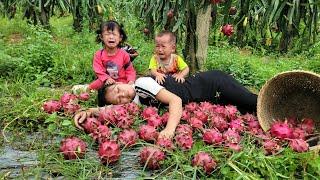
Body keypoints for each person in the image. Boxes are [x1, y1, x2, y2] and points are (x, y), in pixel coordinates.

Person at [74, 70, 257, 139]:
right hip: (213, 99)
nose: (122, 95)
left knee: (254, 103)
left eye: (117, 90)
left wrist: (169, 130)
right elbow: (114, 109)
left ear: (117, 82)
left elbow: (175, 100)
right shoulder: (136, 101)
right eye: (119, 98)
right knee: (250, 111)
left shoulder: (141, 84)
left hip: (214, 84)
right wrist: (89, 111)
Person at [72, 20, 136, 93]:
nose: (111, 37)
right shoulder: (99, 55)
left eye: (114, 34)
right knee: (98, 83)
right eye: (107, 34)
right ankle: (87, 89)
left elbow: (129, 70)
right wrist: (107, 79)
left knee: (129, 88)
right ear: (101, 37)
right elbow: (98, 70)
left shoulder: (124, 54)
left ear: (120, 38)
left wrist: (130, 80)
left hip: (122, 81)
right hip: (105, 82)